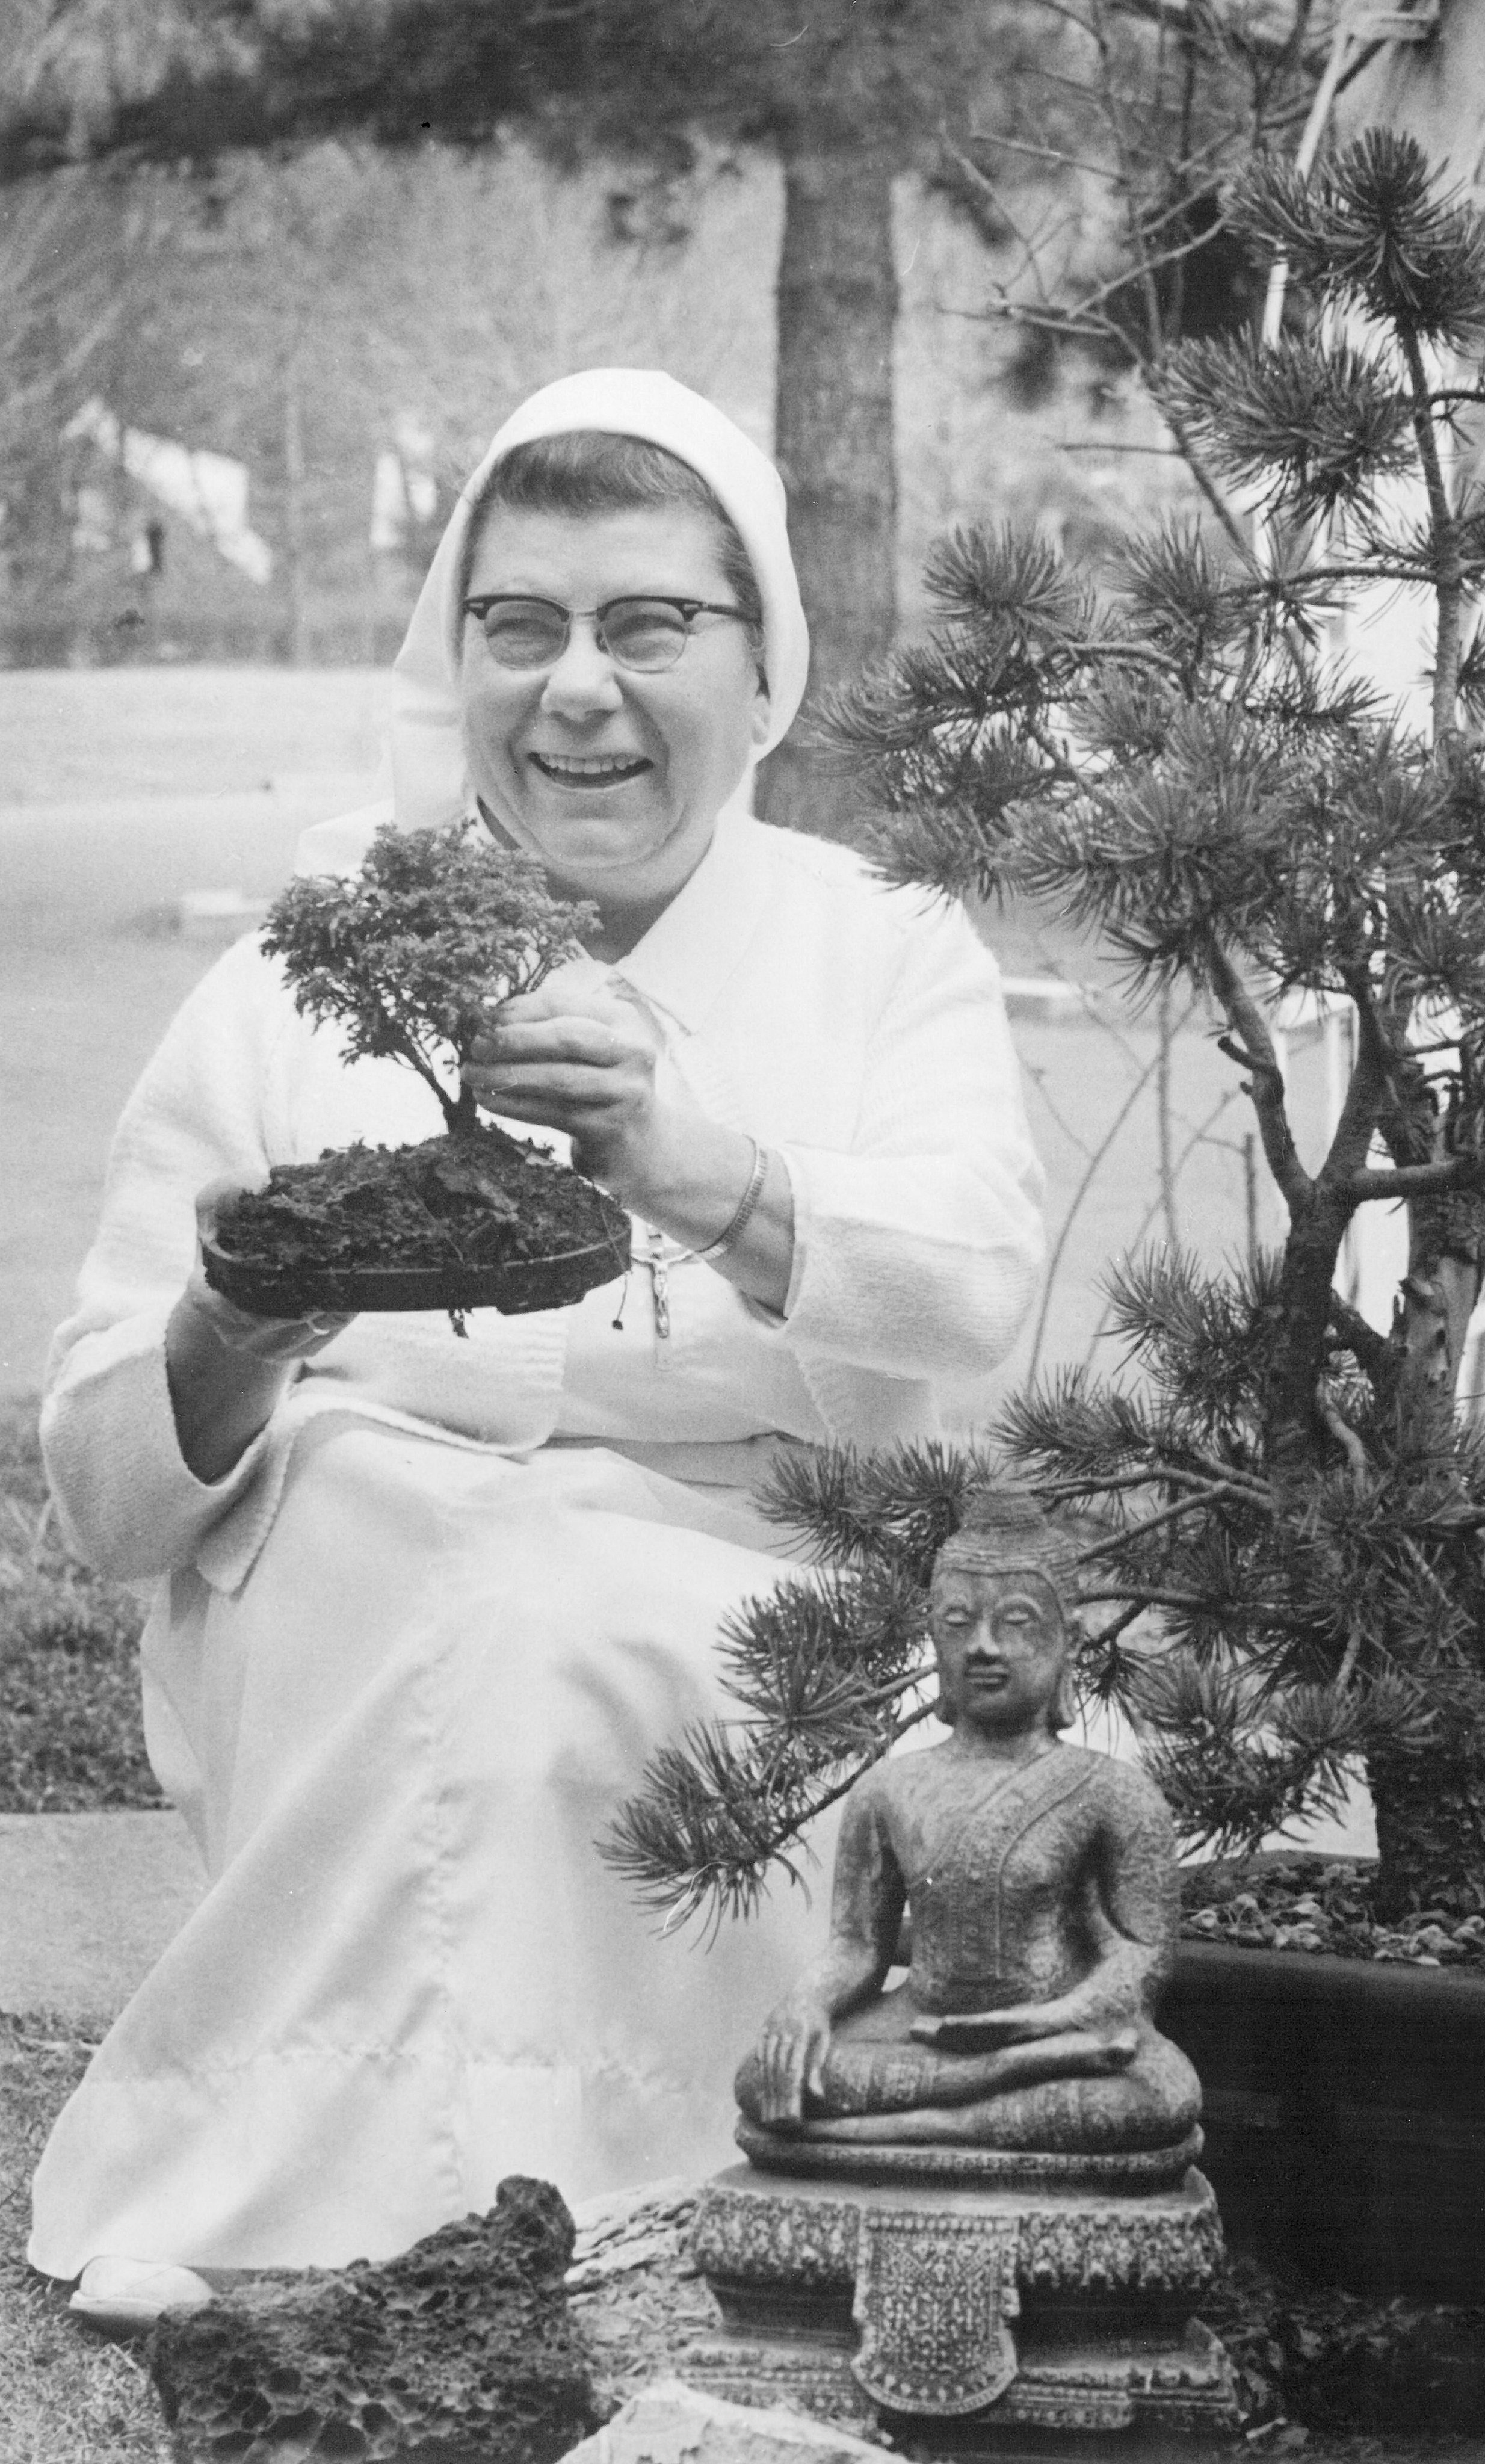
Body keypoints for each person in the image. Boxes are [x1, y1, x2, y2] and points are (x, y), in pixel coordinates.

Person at [29, 370, 1045, 2325]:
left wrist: (689, 1162)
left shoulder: (879, 946)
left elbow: (971, 1285)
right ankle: (291, 2160)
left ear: (760, 667)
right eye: (521, 627)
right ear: (459, 656)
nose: (575, 686)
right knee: (419, 1536)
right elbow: (104, 1484)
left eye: (646, 625)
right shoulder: (304, 964)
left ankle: (645, 2174)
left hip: (746, 1602)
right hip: (358, 1598)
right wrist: (241, 1313)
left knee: (555, 1600)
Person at [736, 1487, 1200, 2155]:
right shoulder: (889, 1788)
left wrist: (1037, 2024)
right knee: (763, 2080)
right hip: (922, 2031)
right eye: (958, 1622)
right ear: (934, 1635)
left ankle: (914, 2128)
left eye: (1014, 1622)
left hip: (1058, 2036)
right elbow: (859, 1947)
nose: (982, 1647)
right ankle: (979, 2102)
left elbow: (1141, 1960)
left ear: (1068, 1640)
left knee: (1159, 2096)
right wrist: (804, 2005)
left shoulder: (1113, 1793)